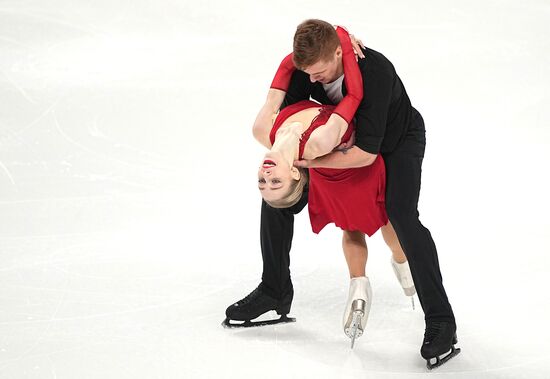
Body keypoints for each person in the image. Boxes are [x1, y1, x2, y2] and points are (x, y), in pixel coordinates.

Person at [225, 19, 460, 369]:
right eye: (309, 74)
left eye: (320, 73)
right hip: (333, 144)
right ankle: (275, 290)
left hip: (395, 143)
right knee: (276, 195)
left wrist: (310, 159)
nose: (314, 80)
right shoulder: (307, 70)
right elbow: (284, 123)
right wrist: (291, 158)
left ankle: (441, 321)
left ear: (339, 52)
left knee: (401, 215)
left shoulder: (375, 71)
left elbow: (366, 153)